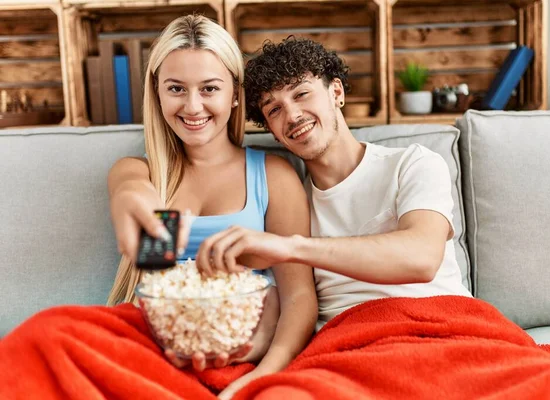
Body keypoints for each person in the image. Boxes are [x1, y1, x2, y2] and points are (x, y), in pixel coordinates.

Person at [0, 17, 317, 400]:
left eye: (209, 88)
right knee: (44, 333)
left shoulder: (273, 175)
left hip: (245, 359)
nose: (192, 105)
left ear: (235, 94)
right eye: (176, 89)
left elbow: (299, 296)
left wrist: (257, 378)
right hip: (153, 348)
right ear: (158, 93)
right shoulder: (145, 173)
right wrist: (140, 209)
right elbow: (136, 203)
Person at [194, 37, 472, 330]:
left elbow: (421, 258)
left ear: (336, 92)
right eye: (274, 110)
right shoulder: (287, 208)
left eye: (301, 94)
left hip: (446, 322)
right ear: (272, 132)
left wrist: (291, 247)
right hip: (351, 339)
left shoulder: (413, 164)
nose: (292, 115)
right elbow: (288, 302)